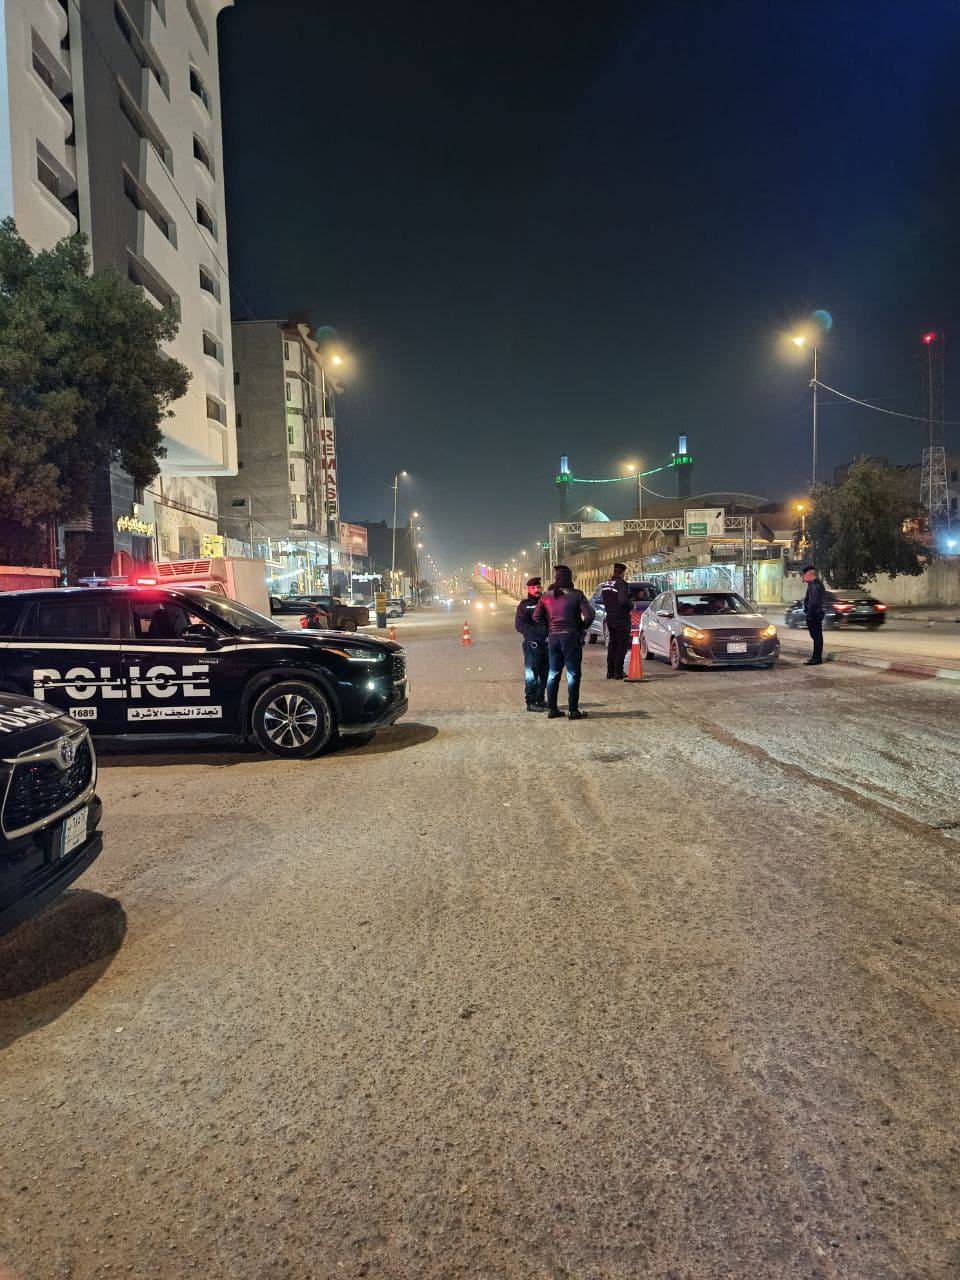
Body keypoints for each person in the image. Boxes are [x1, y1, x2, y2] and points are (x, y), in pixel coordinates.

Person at [534, 565, 596, 720]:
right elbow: (589, 615)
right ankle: (573, 710)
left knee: (553, 673)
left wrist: (548, 630)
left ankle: (552, 709)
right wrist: (581, 629)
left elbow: (536, 617)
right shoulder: (577, 595)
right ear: (569, 579)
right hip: (571, 639)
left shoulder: (546, 596)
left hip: (553, 639)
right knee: (573, 674)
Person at [514, 576, 548, 711]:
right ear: (528, 589)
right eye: (533, 588)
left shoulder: (547, 602)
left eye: (538, 587)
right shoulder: (524, 605)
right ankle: (531, 702)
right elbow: (519, 624)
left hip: (546, 644)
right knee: (532, 675)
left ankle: (540, 699)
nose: (537, 590)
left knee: (545, 674)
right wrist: (536, 633)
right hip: (532, 644)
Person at [600, 562, 632, 679]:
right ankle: (618, 672)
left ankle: (610, 672)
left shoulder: (606, 584)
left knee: (612, 644)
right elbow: (623, 600)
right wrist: (631, 605)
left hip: (610, 616)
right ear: (623, 573)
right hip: (621, 618)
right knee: (621, 645)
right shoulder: (621, 584)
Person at [802, 564, 826, 665]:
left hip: (814, 615)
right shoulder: (816, 584)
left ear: (809, 575)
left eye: (804, 576)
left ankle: (816, 658)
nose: (803, 578)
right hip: (816, 614)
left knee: (816, 637)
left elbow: (813, 602)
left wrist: (809, 616)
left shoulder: (814, 585)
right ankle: (816, 657)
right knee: (817, 636)